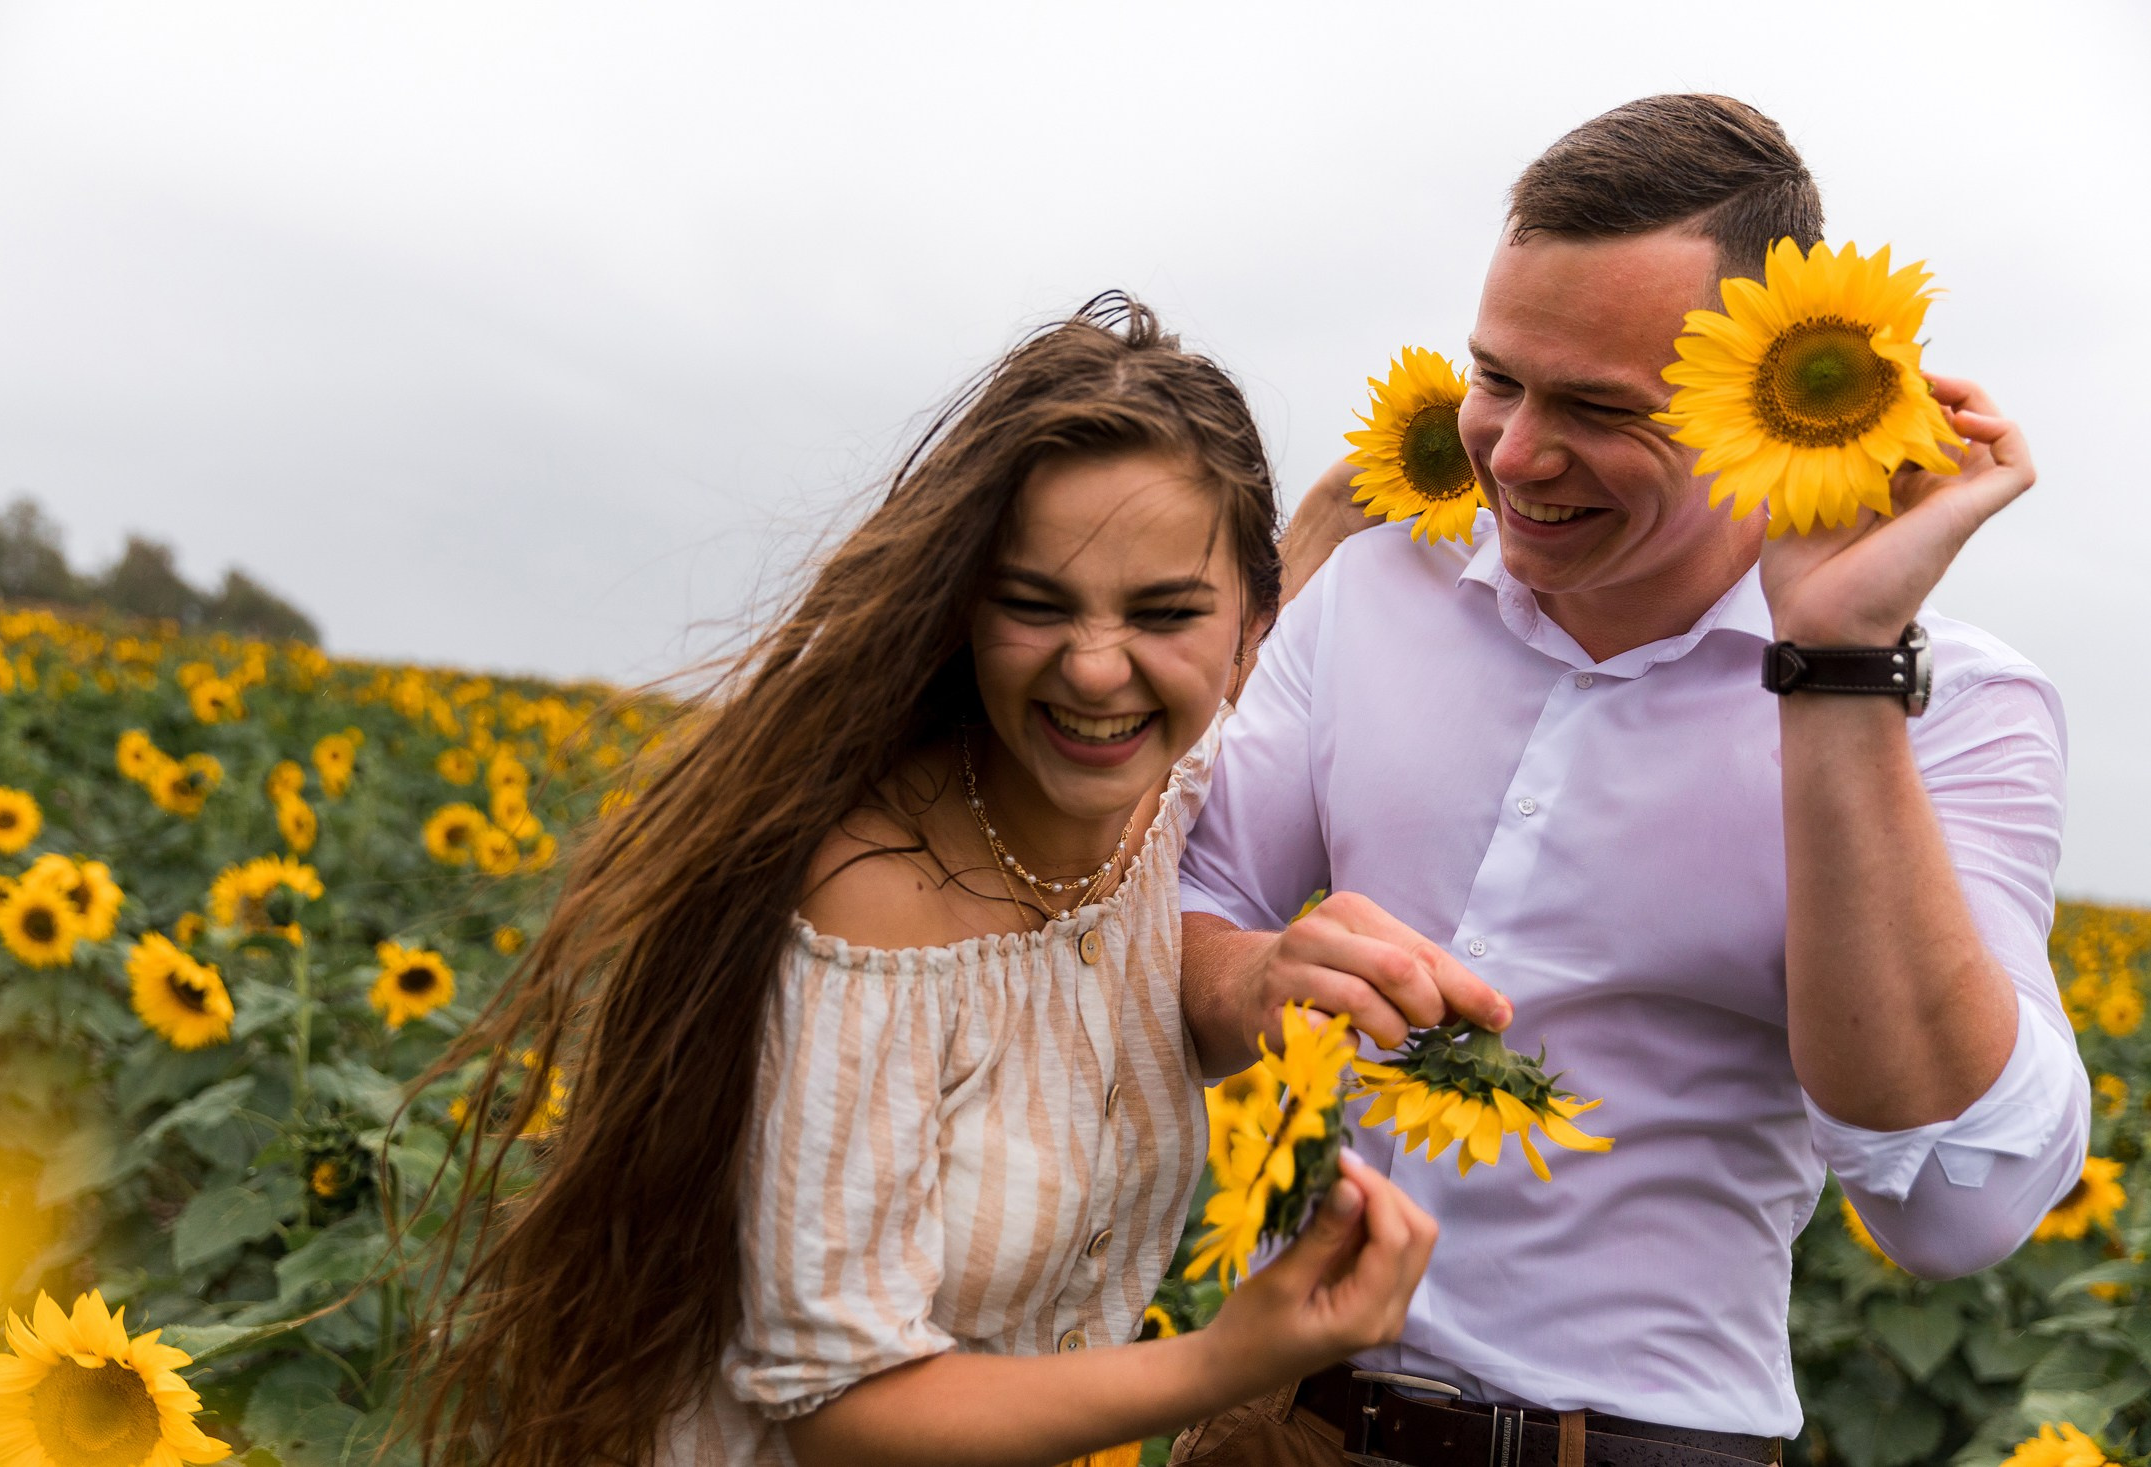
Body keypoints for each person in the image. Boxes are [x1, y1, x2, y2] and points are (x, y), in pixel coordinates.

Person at [1173, 95, 2087, 1466]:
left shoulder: (1955, 707)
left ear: (1752, 403)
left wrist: (1837, 662)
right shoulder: (1375, 593)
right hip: (1276, 1422)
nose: (1514, 455)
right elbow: (1170, 920)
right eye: (1497, 378)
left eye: (1601, 408)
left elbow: (1955, 1207)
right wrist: (1256, 977)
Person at [413, 294, 1434, 1467]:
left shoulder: (1157, 792)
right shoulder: (871, 904)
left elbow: (1243, 621)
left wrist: (1393, 483)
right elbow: (842, 1411)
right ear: (961, 609)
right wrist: (1224, 1362)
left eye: (1162, 612)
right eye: (1035, 604)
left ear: (1250, 631)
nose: (1096, 669)